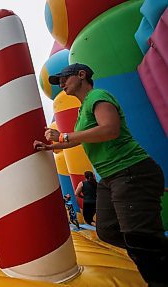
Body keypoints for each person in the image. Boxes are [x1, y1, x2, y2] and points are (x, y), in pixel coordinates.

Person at [33, 63, 167, 286]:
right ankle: (151, 253)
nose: (61, 84)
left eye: (64, 78)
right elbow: (80, 138)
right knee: (107, 230)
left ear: (81, 75)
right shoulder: (82, 110)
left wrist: (64, 136)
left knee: (140, 239)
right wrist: (50, 147)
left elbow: (110, 129)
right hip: (110, 177)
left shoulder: (98, 96)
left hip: (130, 170)